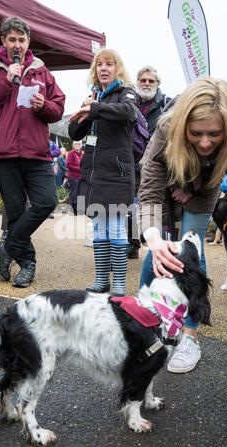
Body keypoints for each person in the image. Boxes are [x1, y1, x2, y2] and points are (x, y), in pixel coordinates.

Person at [137, 77, 227, 373]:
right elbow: (150, 188)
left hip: (207, 184)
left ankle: (189, 336)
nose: (205, 142)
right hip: (169, 177)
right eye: (197, 134)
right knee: (161, 250)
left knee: (193, 250)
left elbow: (222, 159)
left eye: (214, 134)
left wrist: (196, 188)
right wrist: (152, 237)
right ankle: (142, 322)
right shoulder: (167, 129)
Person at [0, 16, 65, 287]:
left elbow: (57, 108)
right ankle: (27, 264)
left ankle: (7, 248)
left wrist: (43, 105)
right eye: (12, 39)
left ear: (28, 42)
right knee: (14, 212)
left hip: (37, 152)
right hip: (5, 153)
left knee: (47, 202)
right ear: (3, 41)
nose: (17, 44)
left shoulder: (42, 71)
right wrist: (6, 80)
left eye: (21, 40)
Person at [68, 48, 137, 296]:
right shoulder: (93, 96)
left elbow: (128, 113)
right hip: (94, 174)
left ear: (118, 68)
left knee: (117, 226)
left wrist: (95, 108)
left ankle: (118, 282)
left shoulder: (126, 93)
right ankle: (101, 279)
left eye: (109, 64)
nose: (104, 68)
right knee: (99, 227)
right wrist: (86, 113)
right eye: (99, 64)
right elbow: (74, 133)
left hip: (117, 173)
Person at [128, 66, 173, 259]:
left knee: (153, 203)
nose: (146, 84)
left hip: (156, 163)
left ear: (157, 84)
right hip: (131, 162)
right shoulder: (129, 101)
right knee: (131, 204)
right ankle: (133, 243)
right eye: (143, 80)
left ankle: (156, 241)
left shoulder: (166, 104)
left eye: (150, 81)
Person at [66, 141, 83, 214]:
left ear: (81, 145)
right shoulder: (71, 153)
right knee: (73, 193)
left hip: (80, 177)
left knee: (79, 193)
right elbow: (68, 165)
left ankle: (76, 210)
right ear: (73, 145)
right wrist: (79, 168)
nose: (78, 145)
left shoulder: (82, 154)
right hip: (73, 177)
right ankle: (70, 209)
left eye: (79, 144)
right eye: (76, 144)